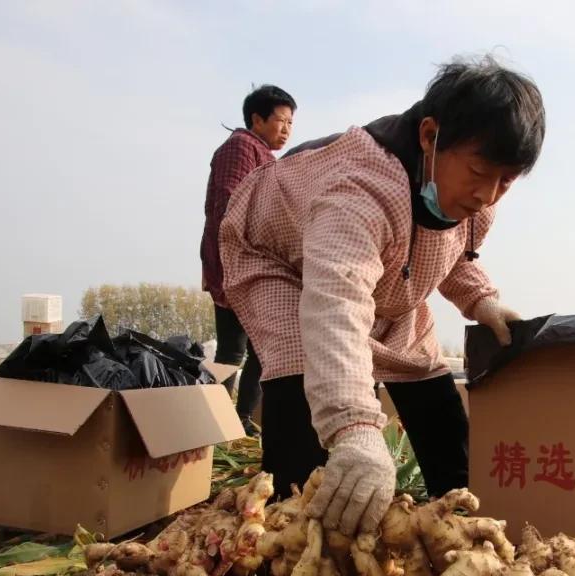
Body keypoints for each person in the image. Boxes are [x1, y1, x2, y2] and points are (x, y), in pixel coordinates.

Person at [219, 54, 545, 535]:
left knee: (430, 385)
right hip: (276, 259)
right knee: (301, 360)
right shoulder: (359, 191)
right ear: (430, 136)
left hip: (392, 278)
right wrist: (355, 429)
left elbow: (451, 252)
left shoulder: (475, 199)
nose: (487, 193)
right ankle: (293, 528)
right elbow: (336, 306)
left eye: (506, 180)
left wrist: (481, 300)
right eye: (478, 172)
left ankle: (458, 516)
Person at [200, 84, 297, 435]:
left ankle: (238, 421)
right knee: (235, 349)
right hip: (236, 264)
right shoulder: (241, 148)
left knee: (256, 347)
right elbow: (229, 204)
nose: (286, 129)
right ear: (257, 118)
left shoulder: (263, 155)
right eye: (281, 121)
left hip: (251, 264)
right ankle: (220, 422)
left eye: (290, 123)